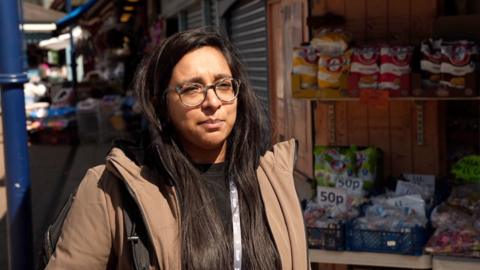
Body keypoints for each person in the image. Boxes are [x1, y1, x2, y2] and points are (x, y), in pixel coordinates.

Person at [45, 29, 308, 270]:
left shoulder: (273, 178)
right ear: (160, 105)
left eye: (223, 85)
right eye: (192, 89)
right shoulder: (110, 189)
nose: (213, 101)